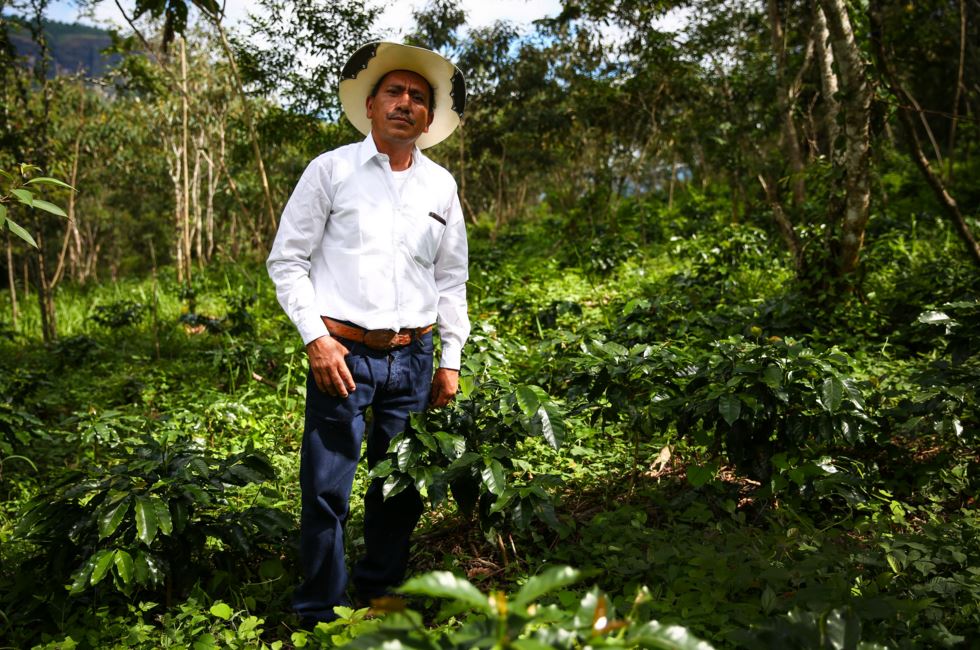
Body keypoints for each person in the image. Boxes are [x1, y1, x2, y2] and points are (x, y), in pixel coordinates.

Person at [266, 41, 470, 626]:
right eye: (394, 92)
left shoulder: (441, 188)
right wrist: (316, 339)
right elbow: (287, 262)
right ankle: (320, 613)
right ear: (372, 104)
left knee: (399, 487)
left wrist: (450, 359)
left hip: (414, 357)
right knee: (327, 489)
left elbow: (450, 279)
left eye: (418, 97)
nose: (405, 103)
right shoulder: (331, 171)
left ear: (429, 117)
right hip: (342, 354)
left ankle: (381, 596)